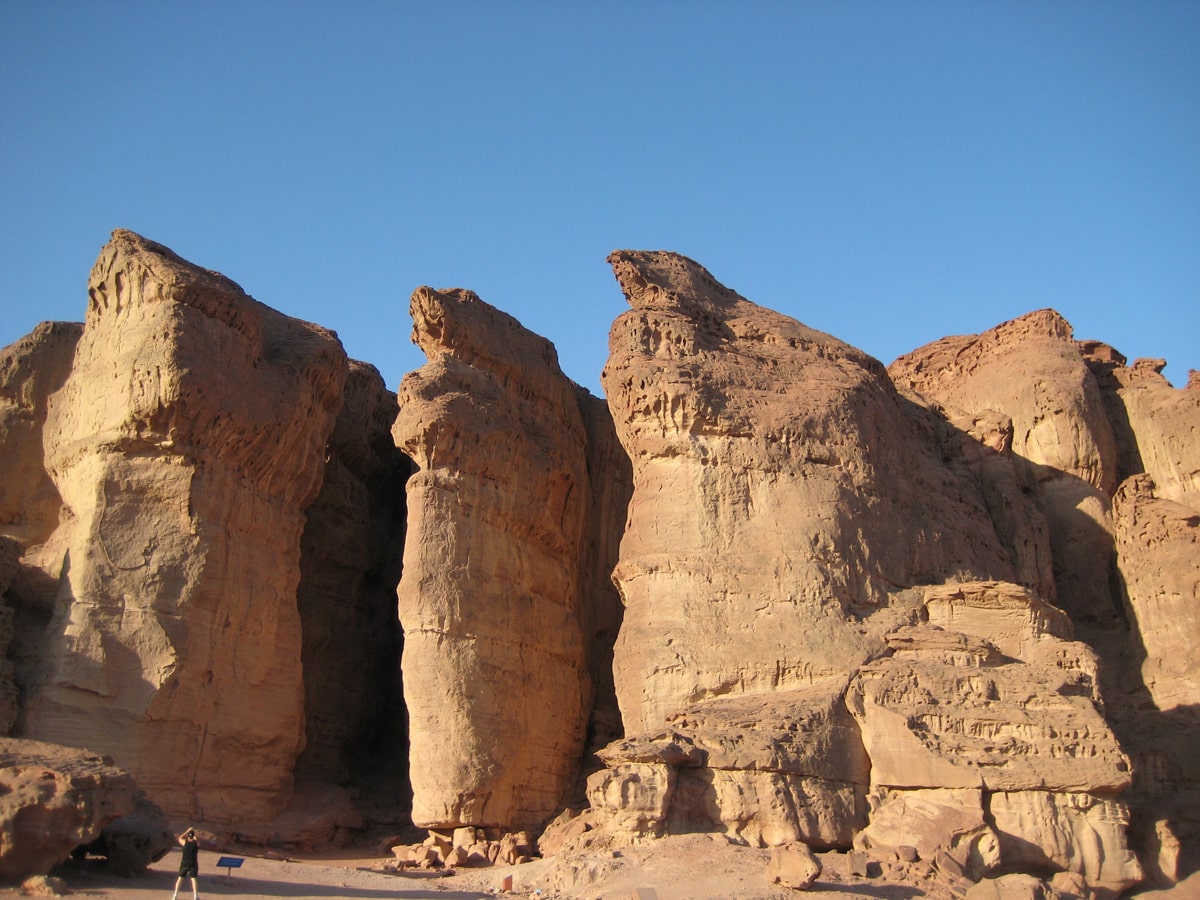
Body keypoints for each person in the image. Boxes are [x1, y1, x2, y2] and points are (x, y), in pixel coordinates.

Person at [171, 827, 200, 900]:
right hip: (193, 863)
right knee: (194, 879)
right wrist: (194, 835)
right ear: (193, 836)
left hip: (184, 863)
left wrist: (187, 831)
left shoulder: (185, 843)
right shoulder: (195, 844)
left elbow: (179, 838)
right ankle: (195, 896)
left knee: (180, 878)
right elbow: (198, 842)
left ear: (188, 836)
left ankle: (175, 895)